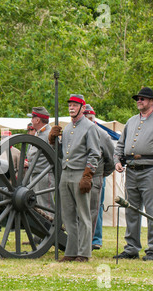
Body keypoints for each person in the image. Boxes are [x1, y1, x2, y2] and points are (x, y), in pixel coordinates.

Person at [113, 87, 153, 261]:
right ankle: (131, 248)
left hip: (151, 170)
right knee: (131, 211)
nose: (139, 101)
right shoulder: (131, 121)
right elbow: (120, 145)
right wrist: (117, 160)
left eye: (143, 99)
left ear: (152, 101)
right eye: (138, 98)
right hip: (131, 170)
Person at [49, 94, 101, 262]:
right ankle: (71, 251)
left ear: (82, 108)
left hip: (80, 173)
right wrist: (53, 140)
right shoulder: (67, 128)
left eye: (75, 104)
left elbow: (95, 154)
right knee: (68, 215)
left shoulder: (89, 127)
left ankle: (84, 253)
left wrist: (88, 175)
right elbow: (62, 154)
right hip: (66, 173)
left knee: (83, 215)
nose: (71, 107)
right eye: (70, 104)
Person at [83, 104, 115, 250]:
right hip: (80, 176)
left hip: (96, 176)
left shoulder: (102, 134)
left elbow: (111, 160)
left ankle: (95, 239)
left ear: (91, 117)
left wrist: (101, 174)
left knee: (96, 208)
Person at [26, 107, 55, 213]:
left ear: (38, 120)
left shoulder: (49, 134)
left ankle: (51, 228)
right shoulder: (39, 133)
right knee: (38, 206)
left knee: (46, 206)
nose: (31, 121)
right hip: (35, 175)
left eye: (32, 118)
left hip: (44, 176)